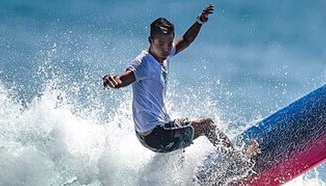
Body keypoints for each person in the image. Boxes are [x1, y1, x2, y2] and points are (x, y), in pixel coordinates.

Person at [102, 4, 258, 160]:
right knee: (206, 124)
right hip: (155, 135)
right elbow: (122, 79)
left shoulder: (164, 53)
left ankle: (183, 175)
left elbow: (186, 40)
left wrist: (199, 21)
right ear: (150, 41)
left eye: (169, 43)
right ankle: (238, 161)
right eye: (160, 44)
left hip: (153, 132)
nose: (166, 48)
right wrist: (111, 80)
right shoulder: (143, 63)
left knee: (183, 137)